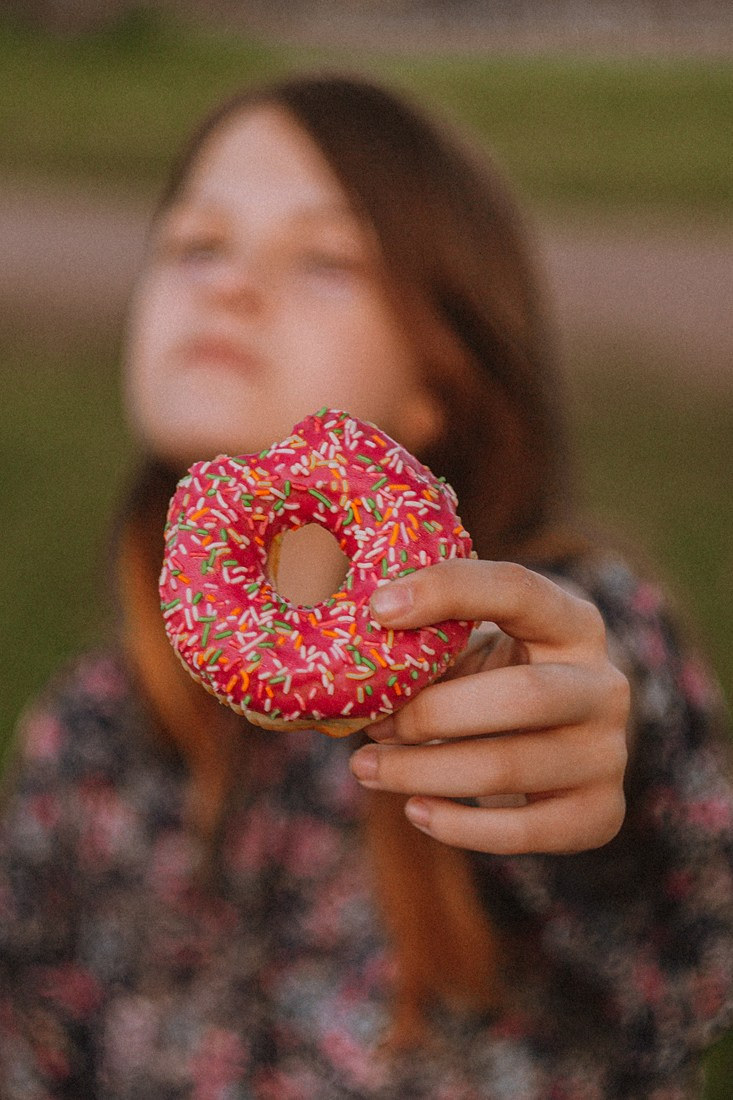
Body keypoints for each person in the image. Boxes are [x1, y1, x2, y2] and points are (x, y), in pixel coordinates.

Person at [1, 72, 731, 1100]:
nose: (230, 284)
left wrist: (591, 772)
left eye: (327, 258)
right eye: (198, 242)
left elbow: (686, 965)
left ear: (439, 385)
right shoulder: (88, 731)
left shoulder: (554, 631)